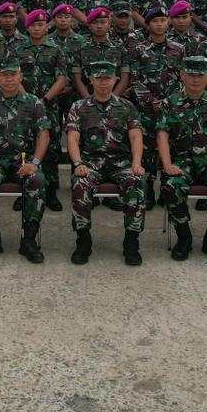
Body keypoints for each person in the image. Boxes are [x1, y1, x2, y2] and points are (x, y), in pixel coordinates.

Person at [155, 55, 207, 262]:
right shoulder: (170, 103)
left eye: (200, 75)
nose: (195, 79)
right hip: (182, 161)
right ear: (182, 76)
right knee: (172, 186)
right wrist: (167, 165)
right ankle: (184, 238)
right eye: (190, 75)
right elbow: (162, 135)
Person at [64, 61, 147, 266]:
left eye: (107, 78)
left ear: (115, 80)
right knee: (80, 184)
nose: (103, 83)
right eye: (98, 79)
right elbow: (72, 139)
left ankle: (132, 242)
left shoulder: (126, 107)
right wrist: (77, 163)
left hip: (121, 163)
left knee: (136, 181)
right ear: (91, 80)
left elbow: (136, 137)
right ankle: (83, 240)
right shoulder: (79, 107)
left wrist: (137, 163)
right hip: (90, 163)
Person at [0, 57, 53, 264]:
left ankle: (29, 240)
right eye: (4, 75)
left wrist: (34, 162)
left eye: (13, 74)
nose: (9, 79)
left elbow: (43, 134)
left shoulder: (34, 103)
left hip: (24, 162)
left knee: (37, 181)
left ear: (20, 76)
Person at [126, 7, 187, 210]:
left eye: (163, 20)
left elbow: (183, 78)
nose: (159, 24)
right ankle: (150, 188)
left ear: (168, 22)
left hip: (173, 108)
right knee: (149, 150)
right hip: (147, 109)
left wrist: (171, 101)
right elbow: (135, 80)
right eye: (155, 21)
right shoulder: (139, 49)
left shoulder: (179, 48)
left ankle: (168, 187)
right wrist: (152, 101)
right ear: (148, 24)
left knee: (172, 147)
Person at [14, 9, 70, 211]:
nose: (37, 28)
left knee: (52, 148)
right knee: (25, 147)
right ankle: (24, 191)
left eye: (41, 24)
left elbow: (62, 78)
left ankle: (51, 192)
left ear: (47, 27)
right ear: (27, 27)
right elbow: (14, 77)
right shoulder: (19, 50)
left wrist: (45, 98)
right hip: (25, 107)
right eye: (33, 25)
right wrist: (29, 100)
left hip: (49, 106)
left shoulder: (56, 50)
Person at [72, 7, 130, 98]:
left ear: (109, 24)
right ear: (89, 26)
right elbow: (77, 79)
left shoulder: (120, 48)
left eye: (103, 22)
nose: (99, 26)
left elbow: (124, 78)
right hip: (87, 100)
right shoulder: (81, 49)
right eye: (95, 23)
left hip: (114, 100)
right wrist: (88, 101)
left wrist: (112, 100)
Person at [0, 1, 30, 66]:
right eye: (4, 16)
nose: (8, 20)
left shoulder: (26, 42)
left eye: (11, 16)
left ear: (17, 19)